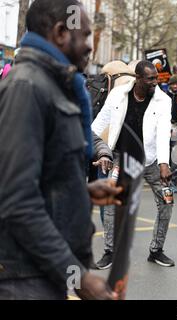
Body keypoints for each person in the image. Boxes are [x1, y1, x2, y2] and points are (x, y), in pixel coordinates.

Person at [0, 0, 122, 300]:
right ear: (60, 33)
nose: (91, 47)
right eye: (85, 35)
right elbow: (17, 201)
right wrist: (77, 277)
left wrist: (82, 191)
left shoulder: (51, 85)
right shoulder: (27, 88)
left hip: (40, 274)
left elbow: (44, 178)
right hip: (24, 279)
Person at [92, 60, 175, 268]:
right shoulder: (118, 95)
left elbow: (164, 133)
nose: (155, 82)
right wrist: (101, 151)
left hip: (152, 160)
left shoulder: (163, 100)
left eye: (156, 78)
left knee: (167, 201)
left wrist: (164, 163)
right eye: (150, 79)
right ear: (138, 78)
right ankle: (110, 251)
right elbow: (96, 126)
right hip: (121, 157)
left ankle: (156, 250)